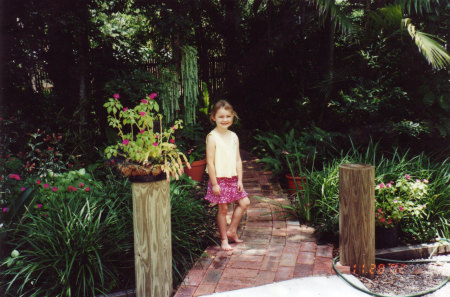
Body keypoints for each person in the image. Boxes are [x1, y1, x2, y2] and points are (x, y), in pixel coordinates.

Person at [204, 100, 251, 251]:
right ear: (213, 117)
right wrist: (215, 183)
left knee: (245, 202)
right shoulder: (212, 137)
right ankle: (224, 239)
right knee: (223, 210)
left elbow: (238, 159)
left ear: (233, 117)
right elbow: (210, 163)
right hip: (218, 179)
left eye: (228, 116)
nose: (225, 120)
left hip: (233, 178)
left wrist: (240, 180)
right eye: (221, 117)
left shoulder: (233, 136)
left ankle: (232, 230)